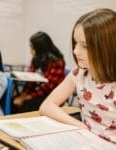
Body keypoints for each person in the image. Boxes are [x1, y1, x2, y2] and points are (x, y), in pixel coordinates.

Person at [39, 8, 116, 143]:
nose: (75, 51)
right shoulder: (79, 73)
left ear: (107, 48)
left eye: (85, 46)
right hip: (85, 140)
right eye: (75, 43)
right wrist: (79, 126)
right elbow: (46, 106)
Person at [13, 31, 65, 113]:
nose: (30, 50)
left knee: (25, 106)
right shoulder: (36, 59)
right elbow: (30, 81)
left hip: (50, 96)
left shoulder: (56, 62)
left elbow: (48, 87)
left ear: (40, 48)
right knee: (13, 101)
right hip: (36, 94)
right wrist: (23, 95)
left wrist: (26, 98)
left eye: (32, 48)